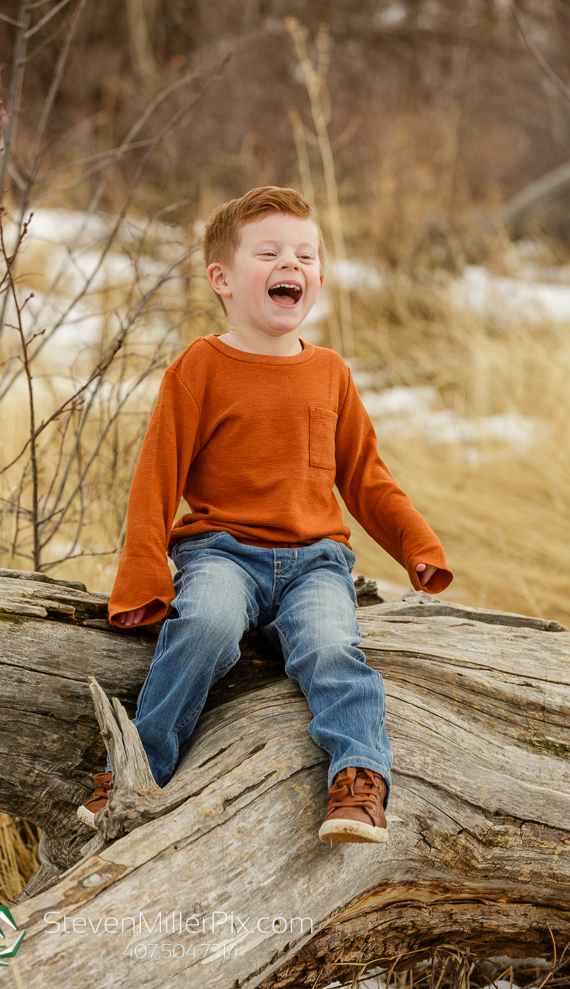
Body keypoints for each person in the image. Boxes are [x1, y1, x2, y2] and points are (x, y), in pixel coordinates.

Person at [77, 186, 453, 843]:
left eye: (305, 254)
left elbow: (365, 476)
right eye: (271, 252)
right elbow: (157, 475)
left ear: (320, 277)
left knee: (333, 648)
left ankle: (358, 779)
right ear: (220, 278)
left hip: (317, 562)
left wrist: (416, 544)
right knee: (206, 626)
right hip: (221, 551)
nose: (293, 265)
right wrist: (141, 575)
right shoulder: (200, 366)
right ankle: (138, 765)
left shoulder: (329, 372)